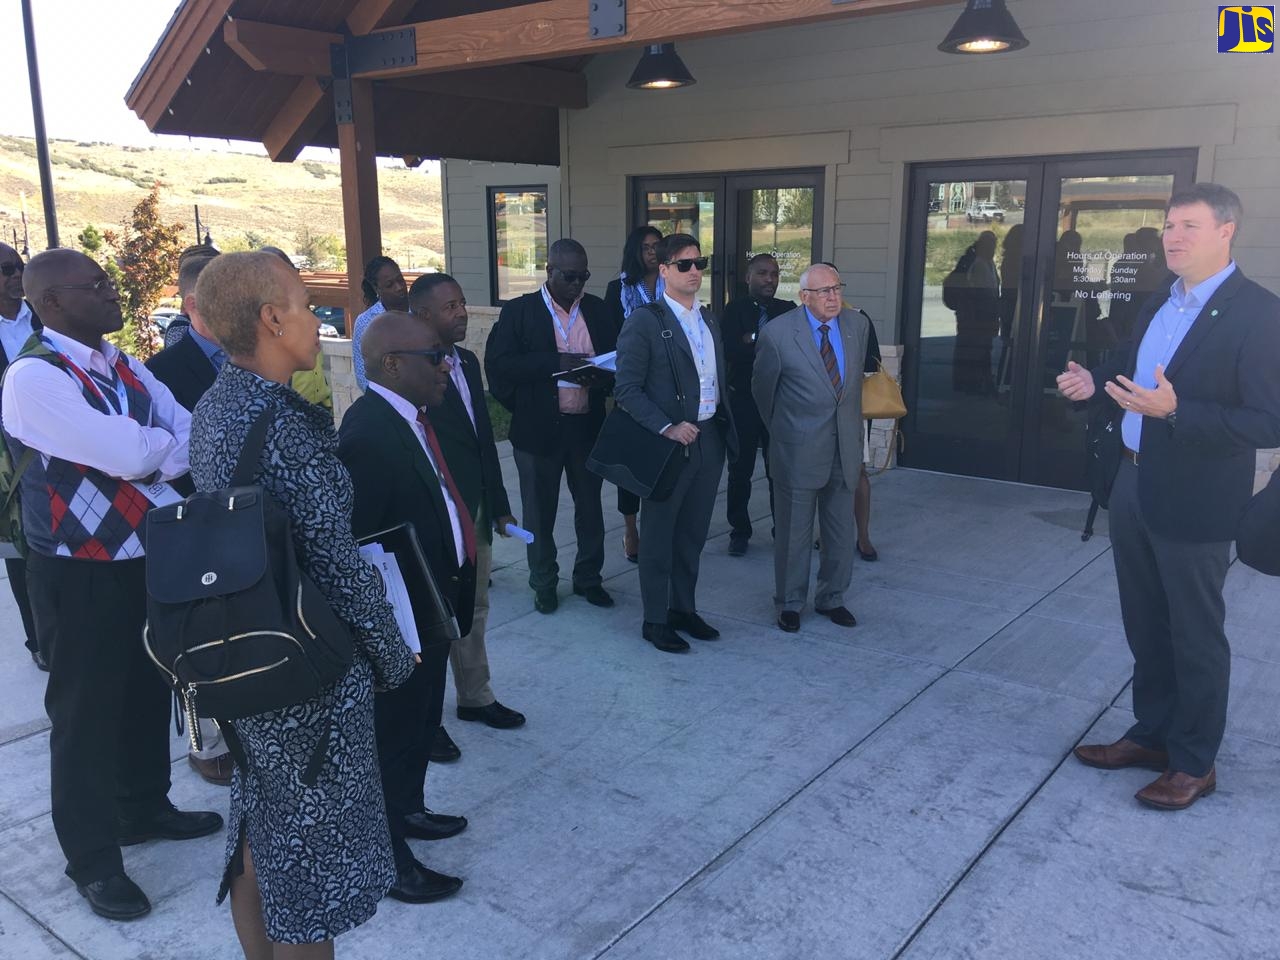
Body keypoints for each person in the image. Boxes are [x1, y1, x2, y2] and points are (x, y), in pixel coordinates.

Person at [189, 252, 415, 955]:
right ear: (271, 318)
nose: (319, 320)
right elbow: (337, 564)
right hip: (303, 665)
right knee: (309, 864)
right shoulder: (287, 428)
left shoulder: (216, 404)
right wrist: (392, 654)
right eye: (305, 305)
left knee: (261, 816)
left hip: (239, 646)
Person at [2, 249, 222, 922]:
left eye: (105, 279)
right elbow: (132, 452)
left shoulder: (123, 364)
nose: (109, 289)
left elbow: (192, 434)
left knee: (146, 687)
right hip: (77, 569)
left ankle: (143, 807)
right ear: (52, 302)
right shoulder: (33, 377)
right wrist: (145, 445)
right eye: (92, 284)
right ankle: (93, 858)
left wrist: (143, 445)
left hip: (144, 557)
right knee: (86, 712)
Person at [1057, 183, 1280, 811]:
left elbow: (1270, 419)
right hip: (1134, 482)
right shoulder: (1162, 301)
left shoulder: (1260, 313)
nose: (1173, 237)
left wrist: (1180, 413)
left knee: (1195, 633)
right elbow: (1131, 369)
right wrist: (1092, 381)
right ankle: (1151, 735)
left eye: (1188, 225)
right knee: (1145, 622)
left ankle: (1193, 761)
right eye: (1168, 226)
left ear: (1226, 230)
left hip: (1198, 497)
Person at [338, 311, 475, 905]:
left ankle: (411, 809)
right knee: (393, 734)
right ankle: (389, 855)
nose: (447, 364)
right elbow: (362, 540)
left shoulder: (415, 417)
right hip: (403, 613)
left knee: (422, 721)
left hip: (435, 597)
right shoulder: (368, 431)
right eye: (434, 356)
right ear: (391, 365)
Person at [408, 273, 525, 753]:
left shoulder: (468, 362)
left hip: (472, 508)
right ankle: (423, 719)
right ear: (422, 316)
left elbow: (481, 439)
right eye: (450, 306)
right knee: (428, 619)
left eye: (462, 303)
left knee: (473, 608)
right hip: (432, 513)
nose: (461, 313)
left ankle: (475, 696)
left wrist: (496, 504)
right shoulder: (407, 368)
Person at [614, 233, 737, 653]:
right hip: (669, 443)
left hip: (708, 440)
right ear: (663, 270)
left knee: (693, 535)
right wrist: (667, 426)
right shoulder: (646, 321)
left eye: (698, 263)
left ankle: (684, 609)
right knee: (659, 535)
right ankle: (655, 618)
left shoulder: (709, 319)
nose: (694, 271)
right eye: (683, 264)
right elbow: (627, 389)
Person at [485, 238, 617, 614]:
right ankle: (543, 582)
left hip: (586, 427)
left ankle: (589, 578)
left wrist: (598, 378)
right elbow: (500, 365)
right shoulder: (519, 311)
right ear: (550, 271)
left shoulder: (598, 310)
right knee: (539, 512)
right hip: (537, 430)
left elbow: (614, 359)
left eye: (584, 276)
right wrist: (554, 364)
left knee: (590, 509)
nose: (578, 284)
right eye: (570, 276)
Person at [145, 248, 235, 787]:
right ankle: (205, 746)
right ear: (196, 304)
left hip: (244, 519)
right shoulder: (164, 371)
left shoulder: (247, 355)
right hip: (192, 523)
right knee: (197, 640)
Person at [753, 263, 868, 634]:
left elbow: (851, 390)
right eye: (824, 291)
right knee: (794, 533)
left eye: (837, 287)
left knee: (839, 531)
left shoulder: (857, 326)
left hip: (844, 448)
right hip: (797, 449)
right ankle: (789, 602)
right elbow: (763, 393)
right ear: (804, 297)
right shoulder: (778, 334)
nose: (833, 296)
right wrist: (785, 433)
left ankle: (832, 597)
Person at [719, 253, 796, 556]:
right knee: (741, 470)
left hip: (779, 402)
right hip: (743, 400)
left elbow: (789, 352)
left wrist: (752, 338)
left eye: (774, 274)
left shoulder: (788, 310)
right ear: (748, 277)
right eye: (763, 273)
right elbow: (732, 350)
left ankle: (783, 529)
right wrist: (759, 340)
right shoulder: (733, 310)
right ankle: (739, 530)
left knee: (779, 469)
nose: (770, 280)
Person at [604, 226, 665, 562]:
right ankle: (631, 529)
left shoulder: (673, 285)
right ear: (635, 252)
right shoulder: (619, 290)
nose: (652, 253)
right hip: (629, 386)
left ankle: (657, 527)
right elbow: (608, 337)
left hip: (666, 388)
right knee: (629, 464)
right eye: (645, 247)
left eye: (657, 246)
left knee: (659, 461)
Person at [0, 241, 44, 669]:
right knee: (20, 545)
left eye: (19, 267)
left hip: (59, 447)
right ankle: (39, 641)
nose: (16, 276)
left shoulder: (46, 318)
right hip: (8, 461)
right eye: (6, 269)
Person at [351, 256, 410, 390]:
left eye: (400, 280)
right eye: (390, 285)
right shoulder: (366, 322)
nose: (399, 287)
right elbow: (362, 374)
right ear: (376, 289)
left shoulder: (419, 311)